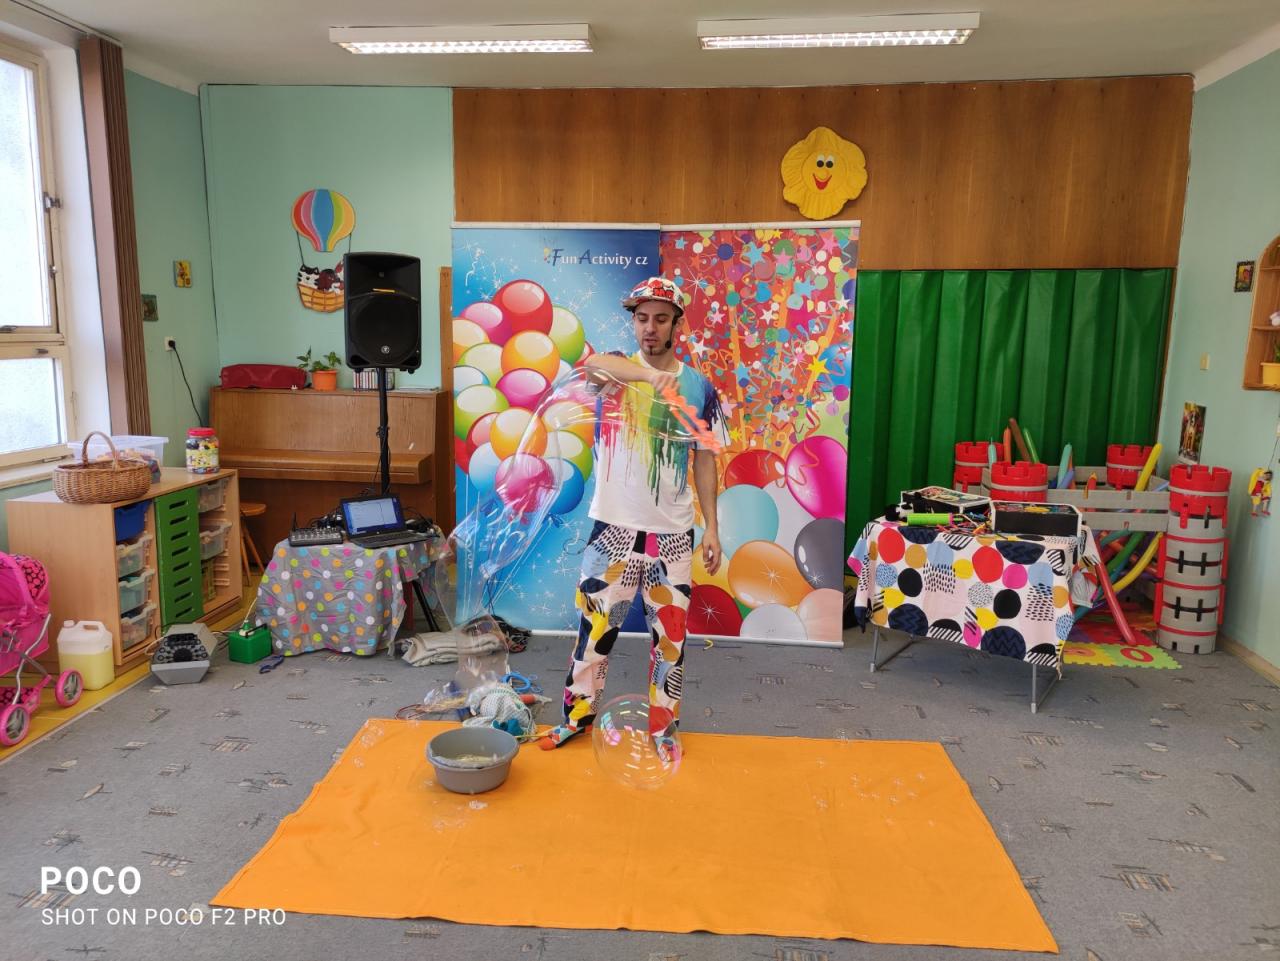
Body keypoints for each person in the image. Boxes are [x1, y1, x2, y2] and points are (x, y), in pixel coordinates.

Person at [541, 277, 729, 750]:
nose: (650, 328)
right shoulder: (617, 372)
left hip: (673, 536)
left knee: (670, 642)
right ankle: (577, 718)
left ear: (677, 324)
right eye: (642, 319)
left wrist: (712, 527)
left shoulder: (700, 388)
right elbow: (592, 366)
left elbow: (706, 459)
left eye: (661, 319)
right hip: (613, 532)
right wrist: (648, 377)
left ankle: (663, 728)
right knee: (593, 633)